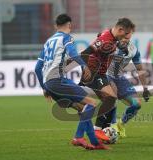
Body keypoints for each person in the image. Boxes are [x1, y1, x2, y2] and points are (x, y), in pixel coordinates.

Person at [35, 14, 108, 150]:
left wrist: (44, 88)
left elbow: (38, 68)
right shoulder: (66, 38)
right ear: (69, 25)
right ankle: (78, 137)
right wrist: (83, 65)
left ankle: (95, 142)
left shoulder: (48, 42)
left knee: (82, 109)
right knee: (91, 103)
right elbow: (73, 53)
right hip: (58, 80)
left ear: (56, 26)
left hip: (49, 84)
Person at [79, 17, 136, 141]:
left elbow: (109, 42)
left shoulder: (110, 36)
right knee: (110, 98)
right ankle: (97, 130)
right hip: (94, 73)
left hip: (101, 74)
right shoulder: (105, 39)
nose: (126, 38)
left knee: (111, 103)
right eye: (125, 35)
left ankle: (102, 133)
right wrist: (85, 68)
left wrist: (121, 46)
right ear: (120, 30)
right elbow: (85, 53)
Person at [107, 34, 150, 137]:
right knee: (113, 97)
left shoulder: (133, 50)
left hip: (119, 77)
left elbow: (139, 69)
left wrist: (145, 88)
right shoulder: (110, 45)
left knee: (137, 104)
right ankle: (112, 127)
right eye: (123, 37)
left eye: (127, 38)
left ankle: (120, 124)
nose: (125, 40)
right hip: (106, 75)